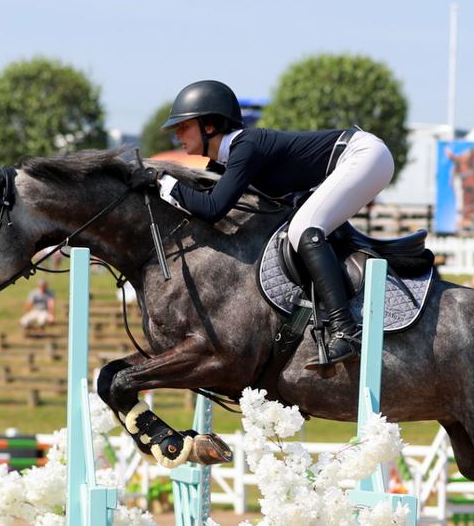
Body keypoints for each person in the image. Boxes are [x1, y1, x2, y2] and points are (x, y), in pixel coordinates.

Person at [147, 79, 396, 375]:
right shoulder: (230, 157)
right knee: (301, 226)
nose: (177, 134)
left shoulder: (246, 146)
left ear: (210, 126)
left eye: (183, 126)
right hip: (357, 158)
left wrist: (160, 180)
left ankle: (347, 331)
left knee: (304, 229)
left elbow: (213, 209)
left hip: (363, 155)